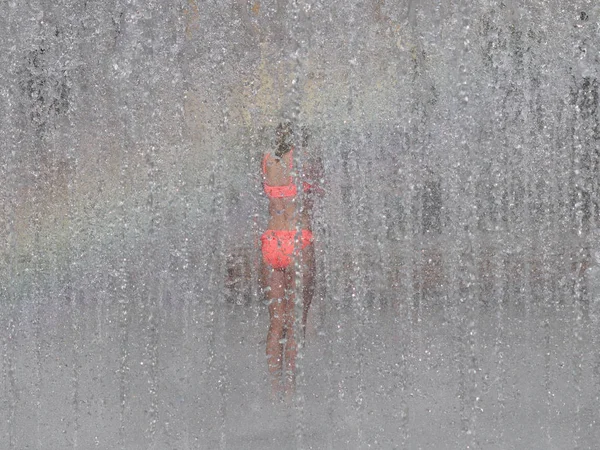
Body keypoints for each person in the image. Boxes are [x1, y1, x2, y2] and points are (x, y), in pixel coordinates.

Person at [260, 122, 323, 401]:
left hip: (272, 241)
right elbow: (319, 190)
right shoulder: (307, 159)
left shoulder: (267, 158)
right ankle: (292, 393)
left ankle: (274, 390)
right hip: (299, 241)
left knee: (276, 324)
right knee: (297, 322)